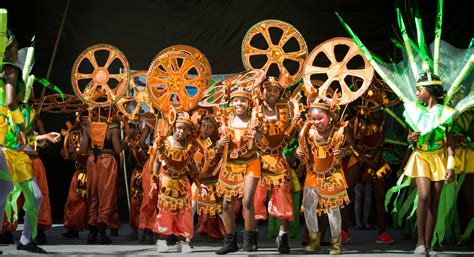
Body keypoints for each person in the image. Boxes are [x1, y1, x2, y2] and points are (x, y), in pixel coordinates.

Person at [405, 73, 455, 254]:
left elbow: (450, 143)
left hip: (439, 159)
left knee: (434, 201)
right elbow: (410, 139)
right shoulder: (413, 110)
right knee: (424, 195)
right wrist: (411, 139)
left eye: (420, 89)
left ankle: (428, 244)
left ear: (431, 91)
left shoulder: (446, 114)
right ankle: (419, 242)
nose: (416, 93)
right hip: (421, 157)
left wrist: (451, 165)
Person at [296, 97, 352, 255]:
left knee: (332, 210)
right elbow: (301, 149)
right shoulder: (309, 132)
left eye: (320, 118)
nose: (316, 122)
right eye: (313, 119)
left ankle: (336, 243)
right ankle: (314, 240)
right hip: (313, 174)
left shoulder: (338, 132)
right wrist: (298, 152)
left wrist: (343, 152)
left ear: (330, 116)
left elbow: (351, 147)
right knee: (308, 207)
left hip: (332, 174)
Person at [252, 76, 299, 253]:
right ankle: (253, 232)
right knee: (256, 197)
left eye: (275, 90)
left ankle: (283, 235)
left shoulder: (285, 109)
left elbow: (287, 135)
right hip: (259, 159)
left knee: (282, 196)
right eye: (268, 90)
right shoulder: (255, 109)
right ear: (261, 91)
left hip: (278, 158)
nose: (272, 94)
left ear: (280, 92)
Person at [151, 112, 207, 253]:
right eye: (178, 128)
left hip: (183, 183)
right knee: (165, 213)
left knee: (185, 214)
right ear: (173, 127)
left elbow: (193, 170)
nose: (181, 131)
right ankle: (162, 240)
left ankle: (183, 241)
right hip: (166, 182)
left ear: (188, 130)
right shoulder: (164, 142)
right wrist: (153, 181)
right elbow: (156, 162)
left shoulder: (190, 146)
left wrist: (200, 184)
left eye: (184, 129)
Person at [215, 85, 261, 254]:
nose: (239, 104)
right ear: (231, 103)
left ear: (248, 103)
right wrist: (219, 144)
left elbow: (264, 144)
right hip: (231, 164)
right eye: (235, 100)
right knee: (227, 204)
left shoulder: (255, 120)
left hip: (250, 162)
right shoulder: (225, 120)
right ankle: (230, 242)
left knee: (247, 201)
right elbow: (218, 146)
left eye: (242, 100)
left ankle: (249, 239)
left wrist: (257, 137)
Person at [79, 108, 123, 244]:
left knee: (93, 194)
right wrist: (126, 141)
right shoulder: (113, 127)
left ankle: (92, 232)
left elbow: (82, 150)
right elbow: (117, 149)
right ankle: (102, 232)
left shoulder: (88, 127)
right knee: (107, 194)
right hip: (107, 161)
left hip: (92, 161)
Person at [194, 113, 226, 241]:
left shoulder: (218, 141)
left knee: (219, 209)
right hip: (198, 182)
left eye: (209, 127)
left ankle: (226, 234)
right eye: (203, 126)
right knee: (190, 207)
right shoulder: (196, 141)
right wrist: (217, 146)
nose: (205, 129)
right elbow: (199, 157)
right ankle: (184, 237)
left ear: (214, 130)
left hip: (215, 182)